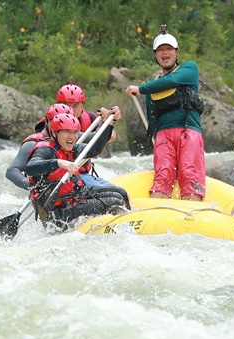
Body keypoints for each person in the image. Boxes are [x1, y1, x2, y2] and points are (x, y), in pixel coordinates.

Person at [125, 24, 206, 201]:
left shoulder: (189, 69)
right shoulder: (152, 84)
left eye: (169, 49)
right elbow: (151, 116)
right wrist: (155, 136)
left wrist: (139, 88)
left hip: (188, 132)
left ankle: (192, 213)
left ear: (177, 52)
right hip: (163, 136)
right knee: (162, 175)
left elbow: (171, 80)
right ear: (155, 55)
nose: (165, 53)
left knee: (189, 173)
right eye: (160, 50)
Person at [25, 113, 130, 232]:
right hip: (57, 214)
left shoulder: (71, 148)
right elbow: (30, 167)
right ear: (54, 133)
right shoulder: (44, 150)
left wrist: (109, 123)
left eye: (75, 132)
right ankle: (115, 227)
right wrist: (58, 162)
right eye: (67, 132)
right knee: (115, 201)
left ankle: (130, 219)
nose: (72, 136)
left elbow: (95, 149)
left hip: (74, 196)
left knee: (120, 193)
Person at [55, 83, 121, 187]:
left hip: (83, 174)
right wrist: (106, 126)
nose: (71, 109)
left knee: (123, 194)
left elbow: (111, 136)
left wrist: (106, 122)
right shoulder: (53, 123)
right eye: (66, 105)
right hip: (62, 177)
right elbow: (90, 138)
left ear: (82, 105)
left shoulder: (89, 117)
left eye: (75, 105)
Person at [6, 103, 75, 190]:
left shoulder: (71, 136)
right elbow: (11, 171)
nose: (61, 126)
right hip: (42, 190)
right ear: (47, 121)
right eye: (57, 122)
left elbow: (89, 137)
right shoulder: (32, 144)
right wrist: (32, 187)